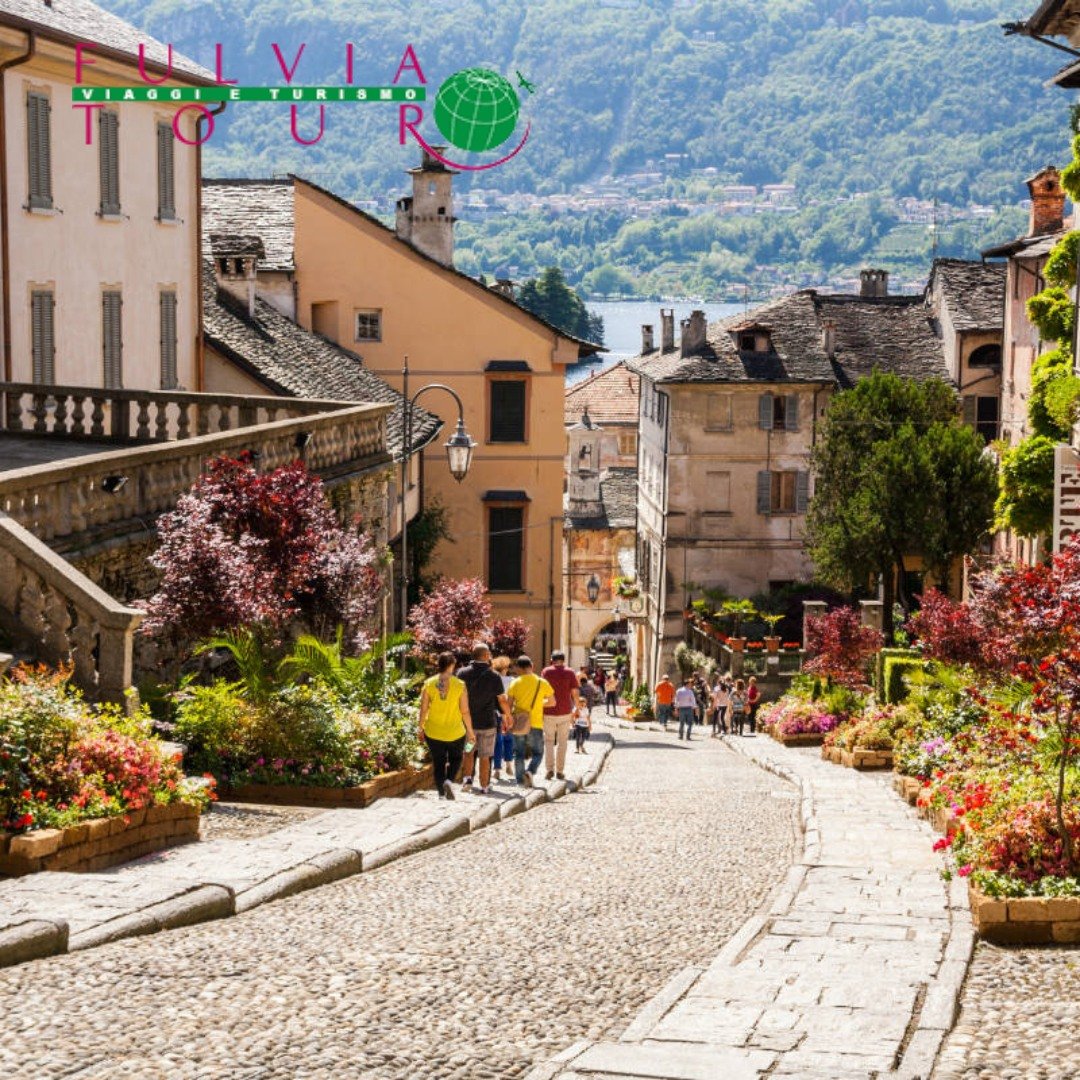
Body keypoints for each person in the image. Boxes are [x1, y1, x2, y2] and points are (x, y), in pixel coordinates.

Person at [418, 652, 475, 800]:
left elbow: (423, 709)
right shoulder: (460, 685)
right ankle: (449, 780)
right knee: (456, 758)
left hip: (433, 731)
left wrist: (420, 727)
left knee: (439, 762)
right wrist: (470, 731)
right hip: (455, 731)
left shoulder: (429, 683)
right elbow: (465, 711)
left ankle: (442, 795)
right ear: (451, 665)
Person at [456, 643, 512, 794]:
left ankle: (467, 780)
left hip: (468, 727)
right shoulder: (494, 676)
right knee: (485, 756)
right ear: (486, 656)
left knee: (468, 752)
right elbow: (501, 700)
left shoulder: (461, 673)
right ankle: (484, 786)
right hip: (487, 725)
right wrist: (508, 715)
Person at [506, 655, 555, 787]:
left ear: (519, 668)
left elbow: (508, 705)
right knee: (538, 752)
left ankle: (521, 781)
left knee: (519, 753)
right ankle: (530, 771)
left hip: (519, 723)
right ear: (531, 666)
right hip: (536, 723)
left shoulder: (515, 682)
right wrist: (540, 703)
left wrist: (507, 721)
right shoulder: (542, 682)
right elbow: (552, 702)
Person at [541, 650, 581, 781]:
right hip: (565, 711)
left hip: (549, 711)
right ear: (564, 660)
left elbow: (542, 690)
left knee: (548, 741)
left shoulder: (546, 671)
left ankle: (549, 770)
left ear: (552, 659)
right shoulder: (570, 672)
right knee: (563, 742)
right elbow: (575, 692)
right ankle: (560, 771)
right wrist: (577, 708)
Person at [491, 655, 517, 781]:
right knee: (509, 740)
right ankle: (508, 764)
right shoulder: (512, 680)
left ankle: (496, 769)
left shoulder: (493, 679)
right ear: (505, 668)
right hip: (508, 713)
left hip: (496, 713)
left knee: (498, 742)